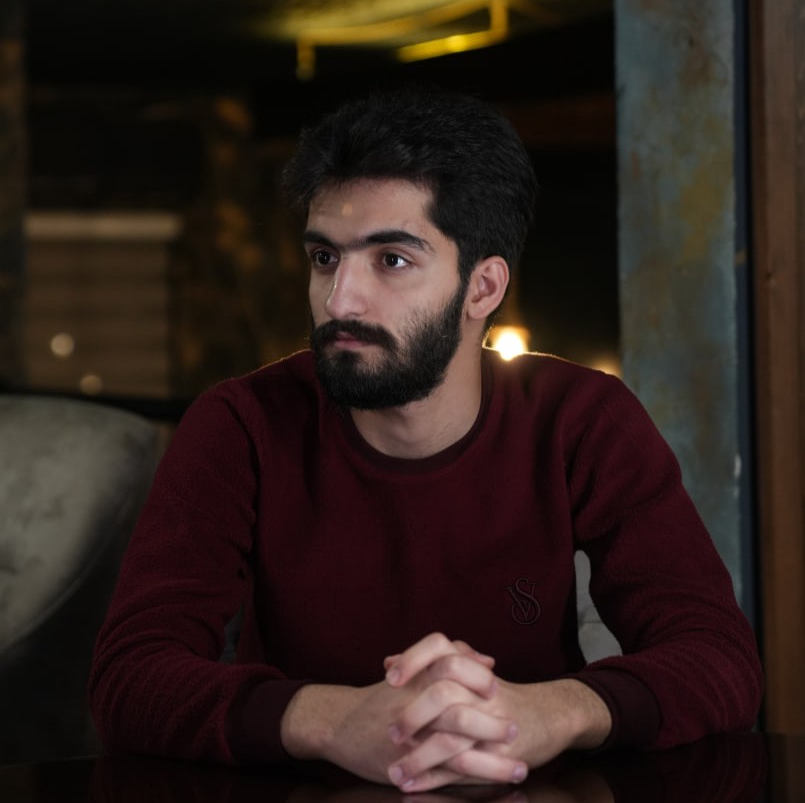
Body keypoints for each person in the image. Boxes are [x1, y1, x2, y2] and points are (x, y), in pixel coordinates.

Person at [89, 88, 763, 793]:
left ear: (483, 288)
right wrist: (333, 721)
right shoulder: (240, 425)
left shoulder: (582, 419)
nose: (340, 300)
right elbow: (130, 676)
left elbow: (719, 658)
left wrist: (549, 712)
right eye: (324, 257)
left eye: (391, 260)